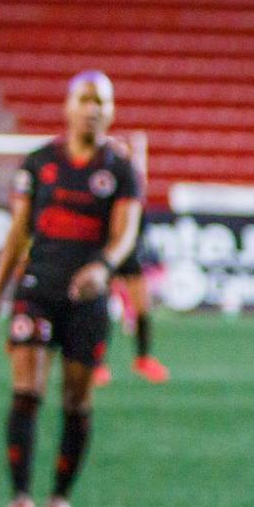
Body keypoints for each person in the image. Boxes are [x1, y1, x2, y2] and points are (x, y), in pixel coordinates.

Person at [0, 70, 141, 507]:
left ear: (111, 111)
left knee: (76, 401)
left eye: (102, 102)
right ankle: (21, 497)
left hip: (88, 299)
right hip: (37, 291)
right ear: (68, 106)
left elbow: (126, 234)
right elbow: (18, 232)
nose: (94, 109)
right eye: (86, 99)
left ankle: (60, 498)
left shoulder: (121, 169)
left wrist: (102, 267)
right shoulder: (38, 163)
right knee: (27, 390)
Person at [95, 128, 169, 386]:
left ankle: (143, 358)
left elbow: (140, 225)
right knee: (100, 310)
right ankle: (97, 364)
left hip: (128, 253)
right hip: (107, 251)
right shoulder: (104, 187)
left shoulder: (132, 185)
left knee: (142, 306)